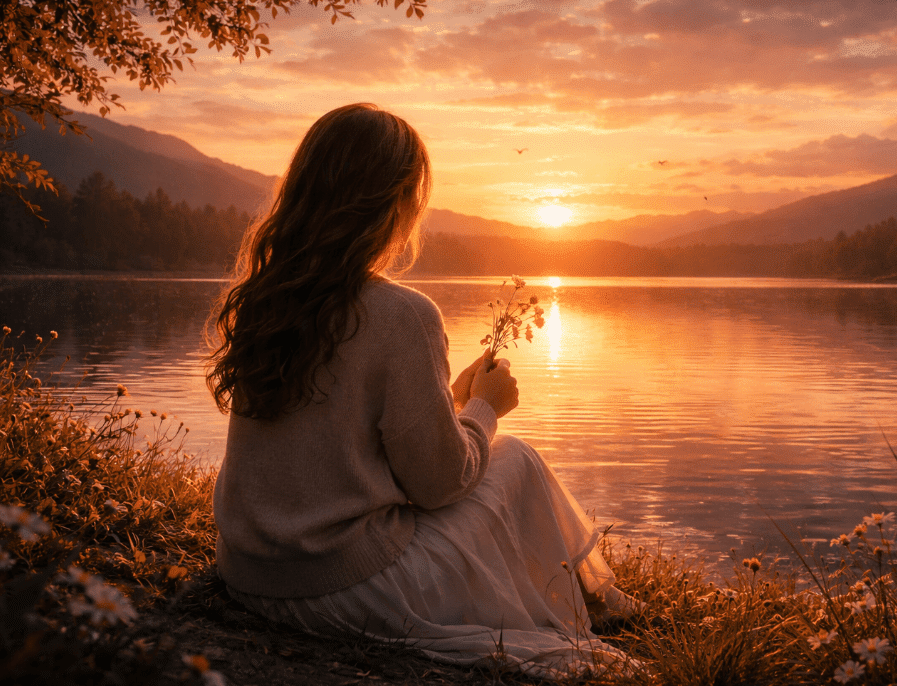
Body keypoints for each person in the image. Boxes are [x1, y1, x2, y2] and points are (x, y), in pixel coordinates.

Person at [205, 103, 639, 677]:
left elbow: (341, 442)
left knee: (502, 457)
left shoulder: (267, 299)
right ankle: (598, 604)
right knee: (518, 459)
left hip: (249, 574)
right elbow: (438, 484)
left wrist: (450, 403)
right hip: (339, 588)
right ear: (397, 202)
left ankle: (599, 601)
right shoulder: (400, 314)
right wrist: (485, 407)